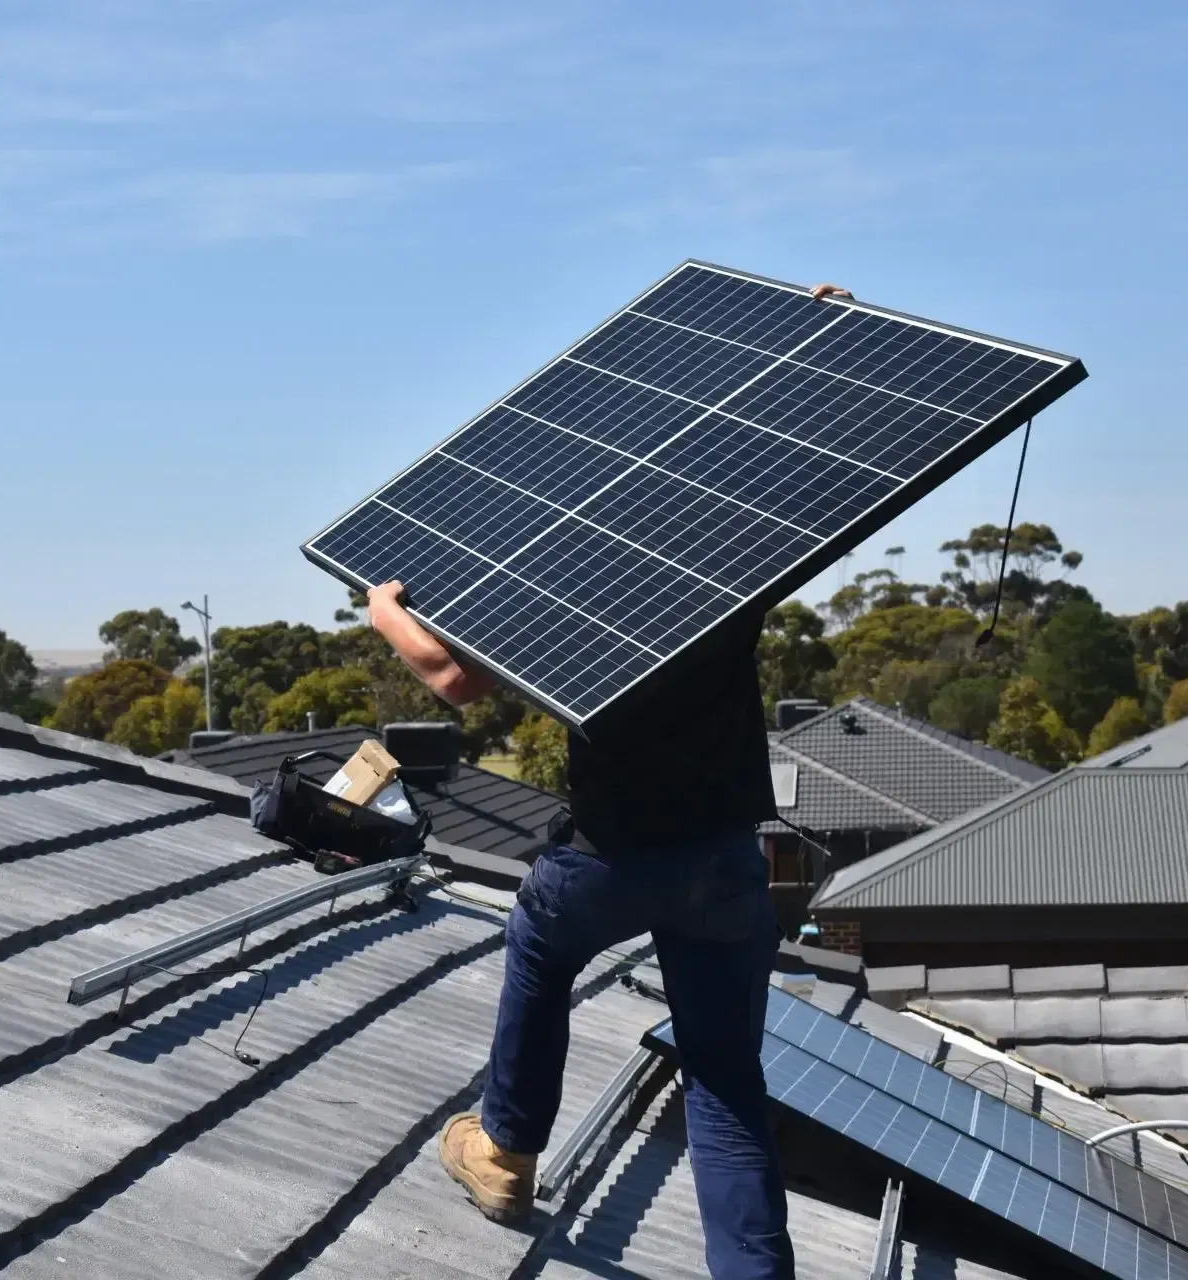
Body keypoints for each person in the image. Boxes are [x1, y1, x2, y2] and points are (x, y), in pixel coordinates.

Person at [363, 280, 852, 1280]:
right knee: (725, 1078)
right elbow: (766, 442)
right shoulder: (737, 545)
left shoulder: (571, 562)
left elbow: (456, 677)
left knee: (538, 941)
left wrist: (385, 613)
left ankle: (504, 1147)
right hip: (724, 857)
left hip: (611, 855)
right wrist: (801, 334)